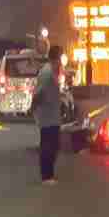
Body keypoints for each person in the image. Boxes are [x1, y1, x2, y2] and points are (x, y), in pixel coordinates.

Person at [34, 49, 63, 183]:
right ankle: (46, 175)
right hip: (47, 116)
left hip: (52, 116)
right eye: (60, 58)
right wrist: (33, 108)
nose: (61, 62)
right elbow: (39, 94)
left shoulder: (51, 72)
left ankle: (49, 174)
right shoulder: (47, 73)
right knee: (48, 145)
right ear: (55, 58)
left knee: (53, 145)